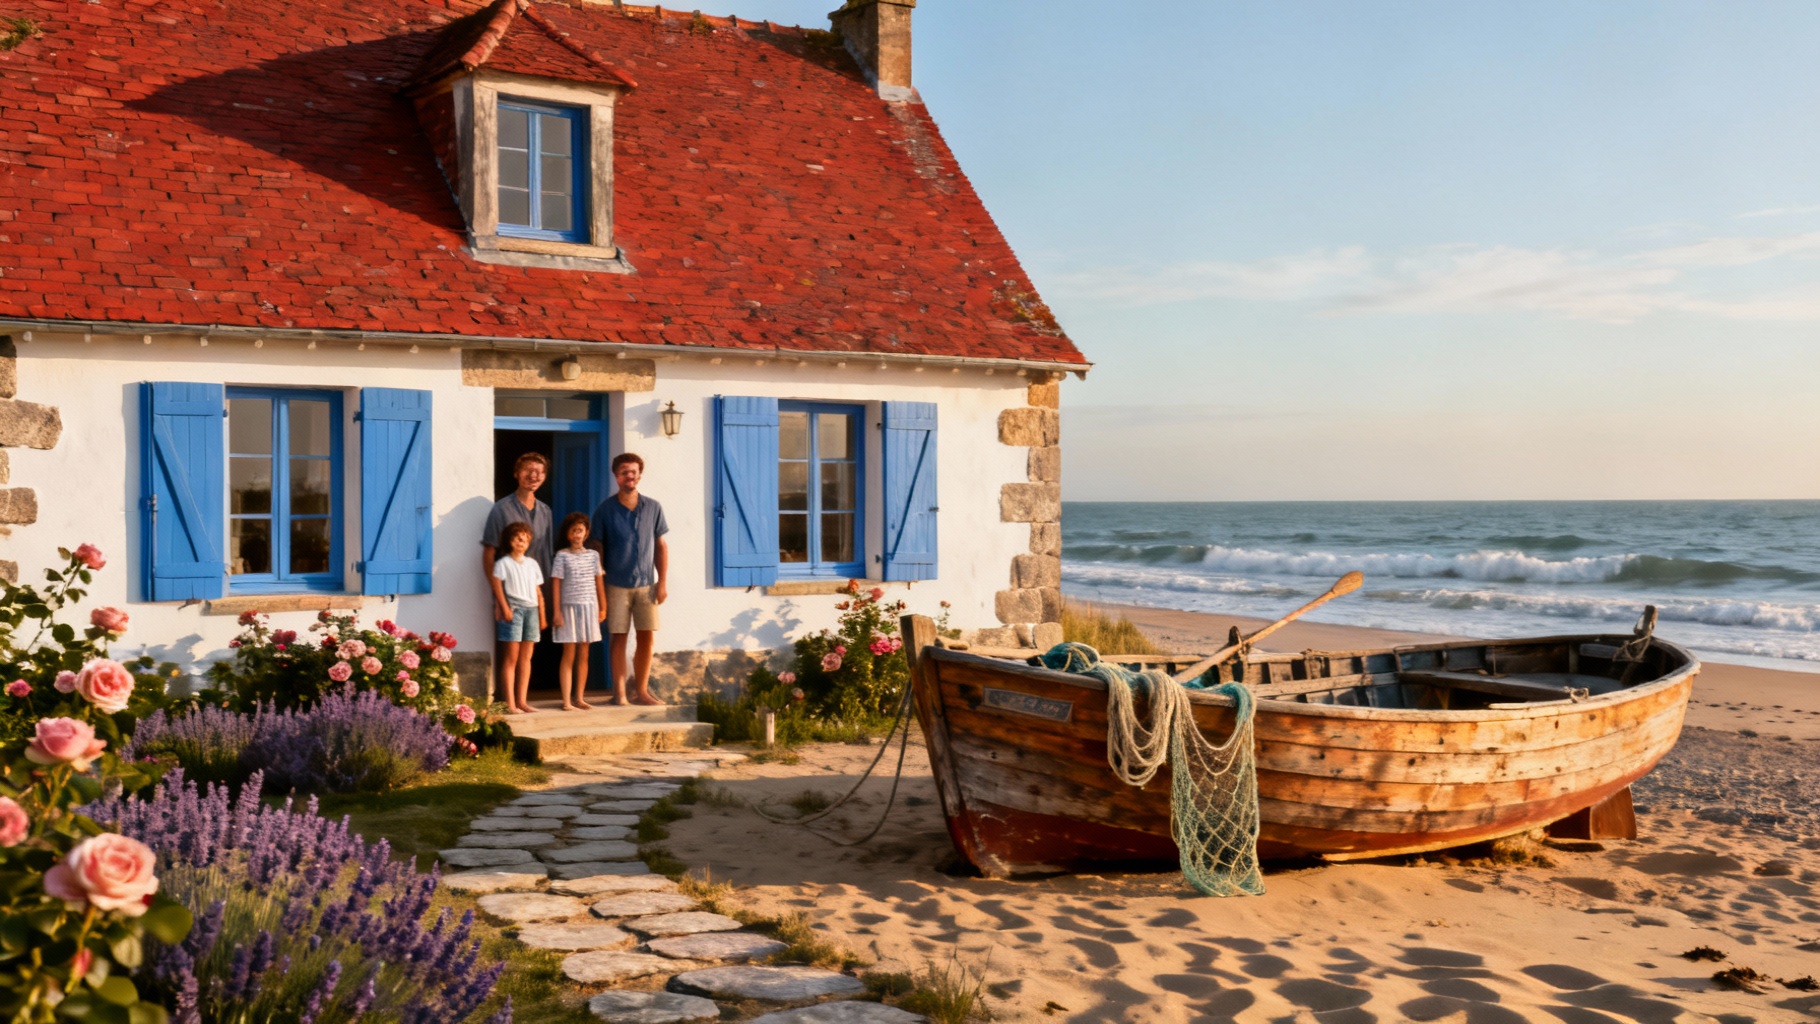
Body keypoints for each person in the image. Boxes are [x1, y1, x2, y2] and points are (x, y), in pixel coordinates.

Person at [591, 452, 668, 706]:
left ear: (639, 475)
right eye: (624, 472)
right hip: (615, 584)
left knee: (647, 636)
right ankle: (620, 693)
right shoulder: (605, 510)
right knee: (619, 636)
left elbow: (660, 546)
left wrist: (662, 583)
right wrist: (599, 586)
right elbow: (597, 550)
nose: (629, 476)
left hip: (647, 584)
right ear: (616, 476)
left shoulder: (653, 507)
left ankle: (642, 691)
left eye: (633, 471)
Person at [482, 452, 554, 710]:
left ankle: (522, 700)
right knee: (509, 652)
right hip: (509, 594)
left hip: (534, 594)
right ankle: (507, 700)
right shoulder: (501, 509)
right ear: (516, 473)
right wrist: (498, 599)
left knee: (529, 652)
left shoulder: (546, 511)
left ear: (544, 477)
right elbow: (489, 552)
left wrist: (546, 598)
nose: (533, 476)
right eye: (528, 470)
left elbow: (546, 554)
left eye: (539, 472)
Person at [550, 512, 606, 711]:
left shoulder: (593, 556)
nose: (577, 535)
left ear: (586, 533)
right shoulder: (562, 556)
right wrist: (556, 611)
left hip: (589, 607)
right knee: (569, 653)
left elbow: (599, 582)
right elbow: (556, 584)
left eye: (580, 531)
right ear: (567, 534)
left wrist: (603, 606)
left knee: (584, 653)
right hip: (568, 609)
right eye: (573, 531)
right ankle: (566, 700)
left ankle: (579, 697)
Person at [488, 522, 546, 714]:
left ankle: (522, 701)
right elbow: (497, 586)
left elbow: (538, 591)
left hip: (532, 610)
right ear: (510, 541)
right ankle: (510, 703)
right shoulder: (503, 563)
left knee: (526, 658)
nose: (521, 542)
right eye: (517, 538)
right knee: (511, 657)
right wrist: (504, 607)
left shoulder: (532, 564)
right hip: (514, 609)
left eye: (525, 539)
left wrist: (542, 615)